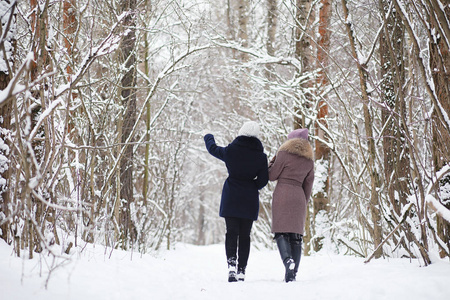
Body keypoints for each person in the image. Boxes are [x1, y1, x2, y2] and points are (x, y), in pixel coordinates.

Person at [204, 121, 269, 282]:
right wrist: (251, 185)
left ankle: (231, 265)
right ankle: (241, 270)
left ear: (241, 132)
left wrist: (208, 136)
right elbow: (263, 180)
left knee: (231, 232)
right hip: (249, 198)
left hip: (231, 196)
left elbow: (213, 149)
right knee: (245, 235)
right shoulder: (261, 157)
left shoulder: (232, 150)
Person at [268, 128, 314, 282]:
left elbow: (272, 175)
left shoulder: (283, 154)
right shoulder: (309, 161)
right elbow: (308, 185)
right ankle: (292, 275)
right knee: (296, 237)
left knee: (280, 232)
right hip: (299, 196)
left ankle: (288, 262)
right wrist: (303, 202)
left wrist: (272, 162)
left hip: (282, 194)